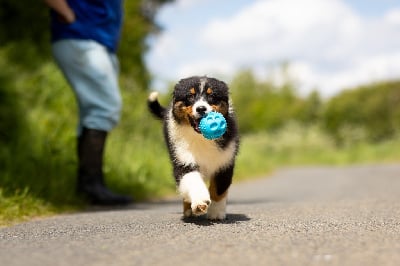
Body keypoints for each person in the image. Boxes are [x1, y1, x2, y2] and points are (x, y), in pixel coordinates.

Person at [44, 0, 132, 205]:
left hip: (97, 42)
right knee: (105, 107)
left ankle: (90, 186)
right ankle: (91, 185)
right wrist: (66, 13)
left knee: (92, 112)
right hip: (81, 37)